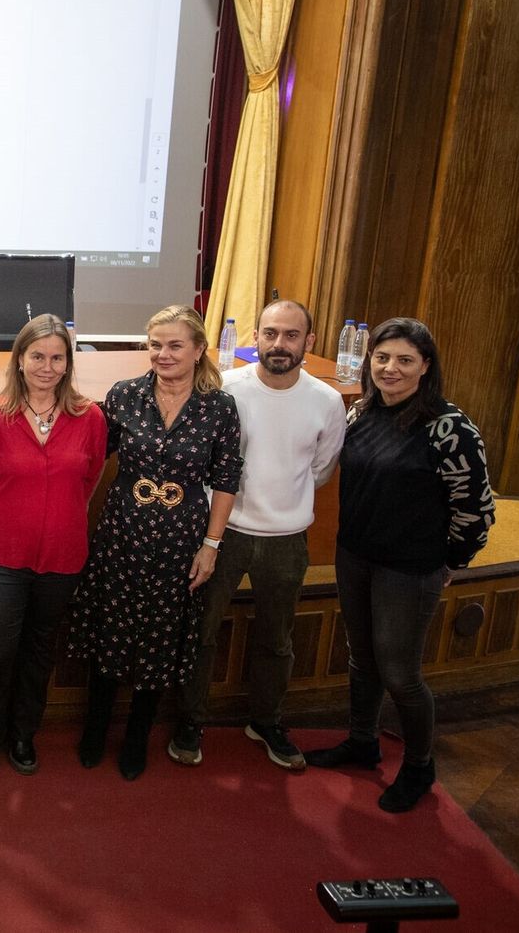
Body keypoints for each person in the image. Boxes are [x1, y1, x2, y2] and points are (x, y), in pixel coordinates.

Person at [306, 317, 494, 813]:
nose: (390, 368)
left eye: (405, 360)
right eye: (382, 357)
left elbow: (475, 508)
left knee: (400, 674)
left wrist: (452, 560)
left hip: (409, 569)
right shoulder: (363, 411)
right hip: (356, 555)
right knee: (361, 659)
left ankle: (418, 766)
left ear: (425, 367)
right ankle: (363, 741)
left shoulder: (449, 427)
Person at [67, 304, 241, 780]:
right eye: (155, 345)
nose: (162, 354)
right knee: (111, 631)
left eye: (174, 345)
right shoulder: (124, 395)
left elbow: (227, 479)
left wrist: (212, 545)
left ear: (199, 349)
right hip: (122, 533)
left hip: (182, 540)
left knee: (161, 641)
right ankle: (95, 729)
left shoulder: (219, 407)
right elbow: (93, 459)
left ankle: (138, 736)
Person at [170, 299, 345, 771]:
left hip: (287, 539)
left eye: (291, 336)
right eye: (270, 334)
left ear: (308, 342)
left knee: (277, 639)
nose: (279, 344)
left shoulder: (327, 402)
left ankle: (266, 720)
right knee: (201, 634)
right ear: (256, 337)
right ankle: (190, 720)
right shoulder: (227, 389)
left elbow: (322, 469)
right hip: (222, 534)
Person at [0, 315, 108, 778]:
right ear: (20, 361)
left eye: (57, 357)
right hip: (2, 557)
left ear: (68, 364)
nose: (47, 366)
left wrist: (58, 517)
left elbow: (89, 481)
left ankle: (24, 735)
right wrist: (15, 520)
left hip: (63, 558)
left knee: (40, 652)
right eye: (37, 357)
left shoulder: (90, 418)